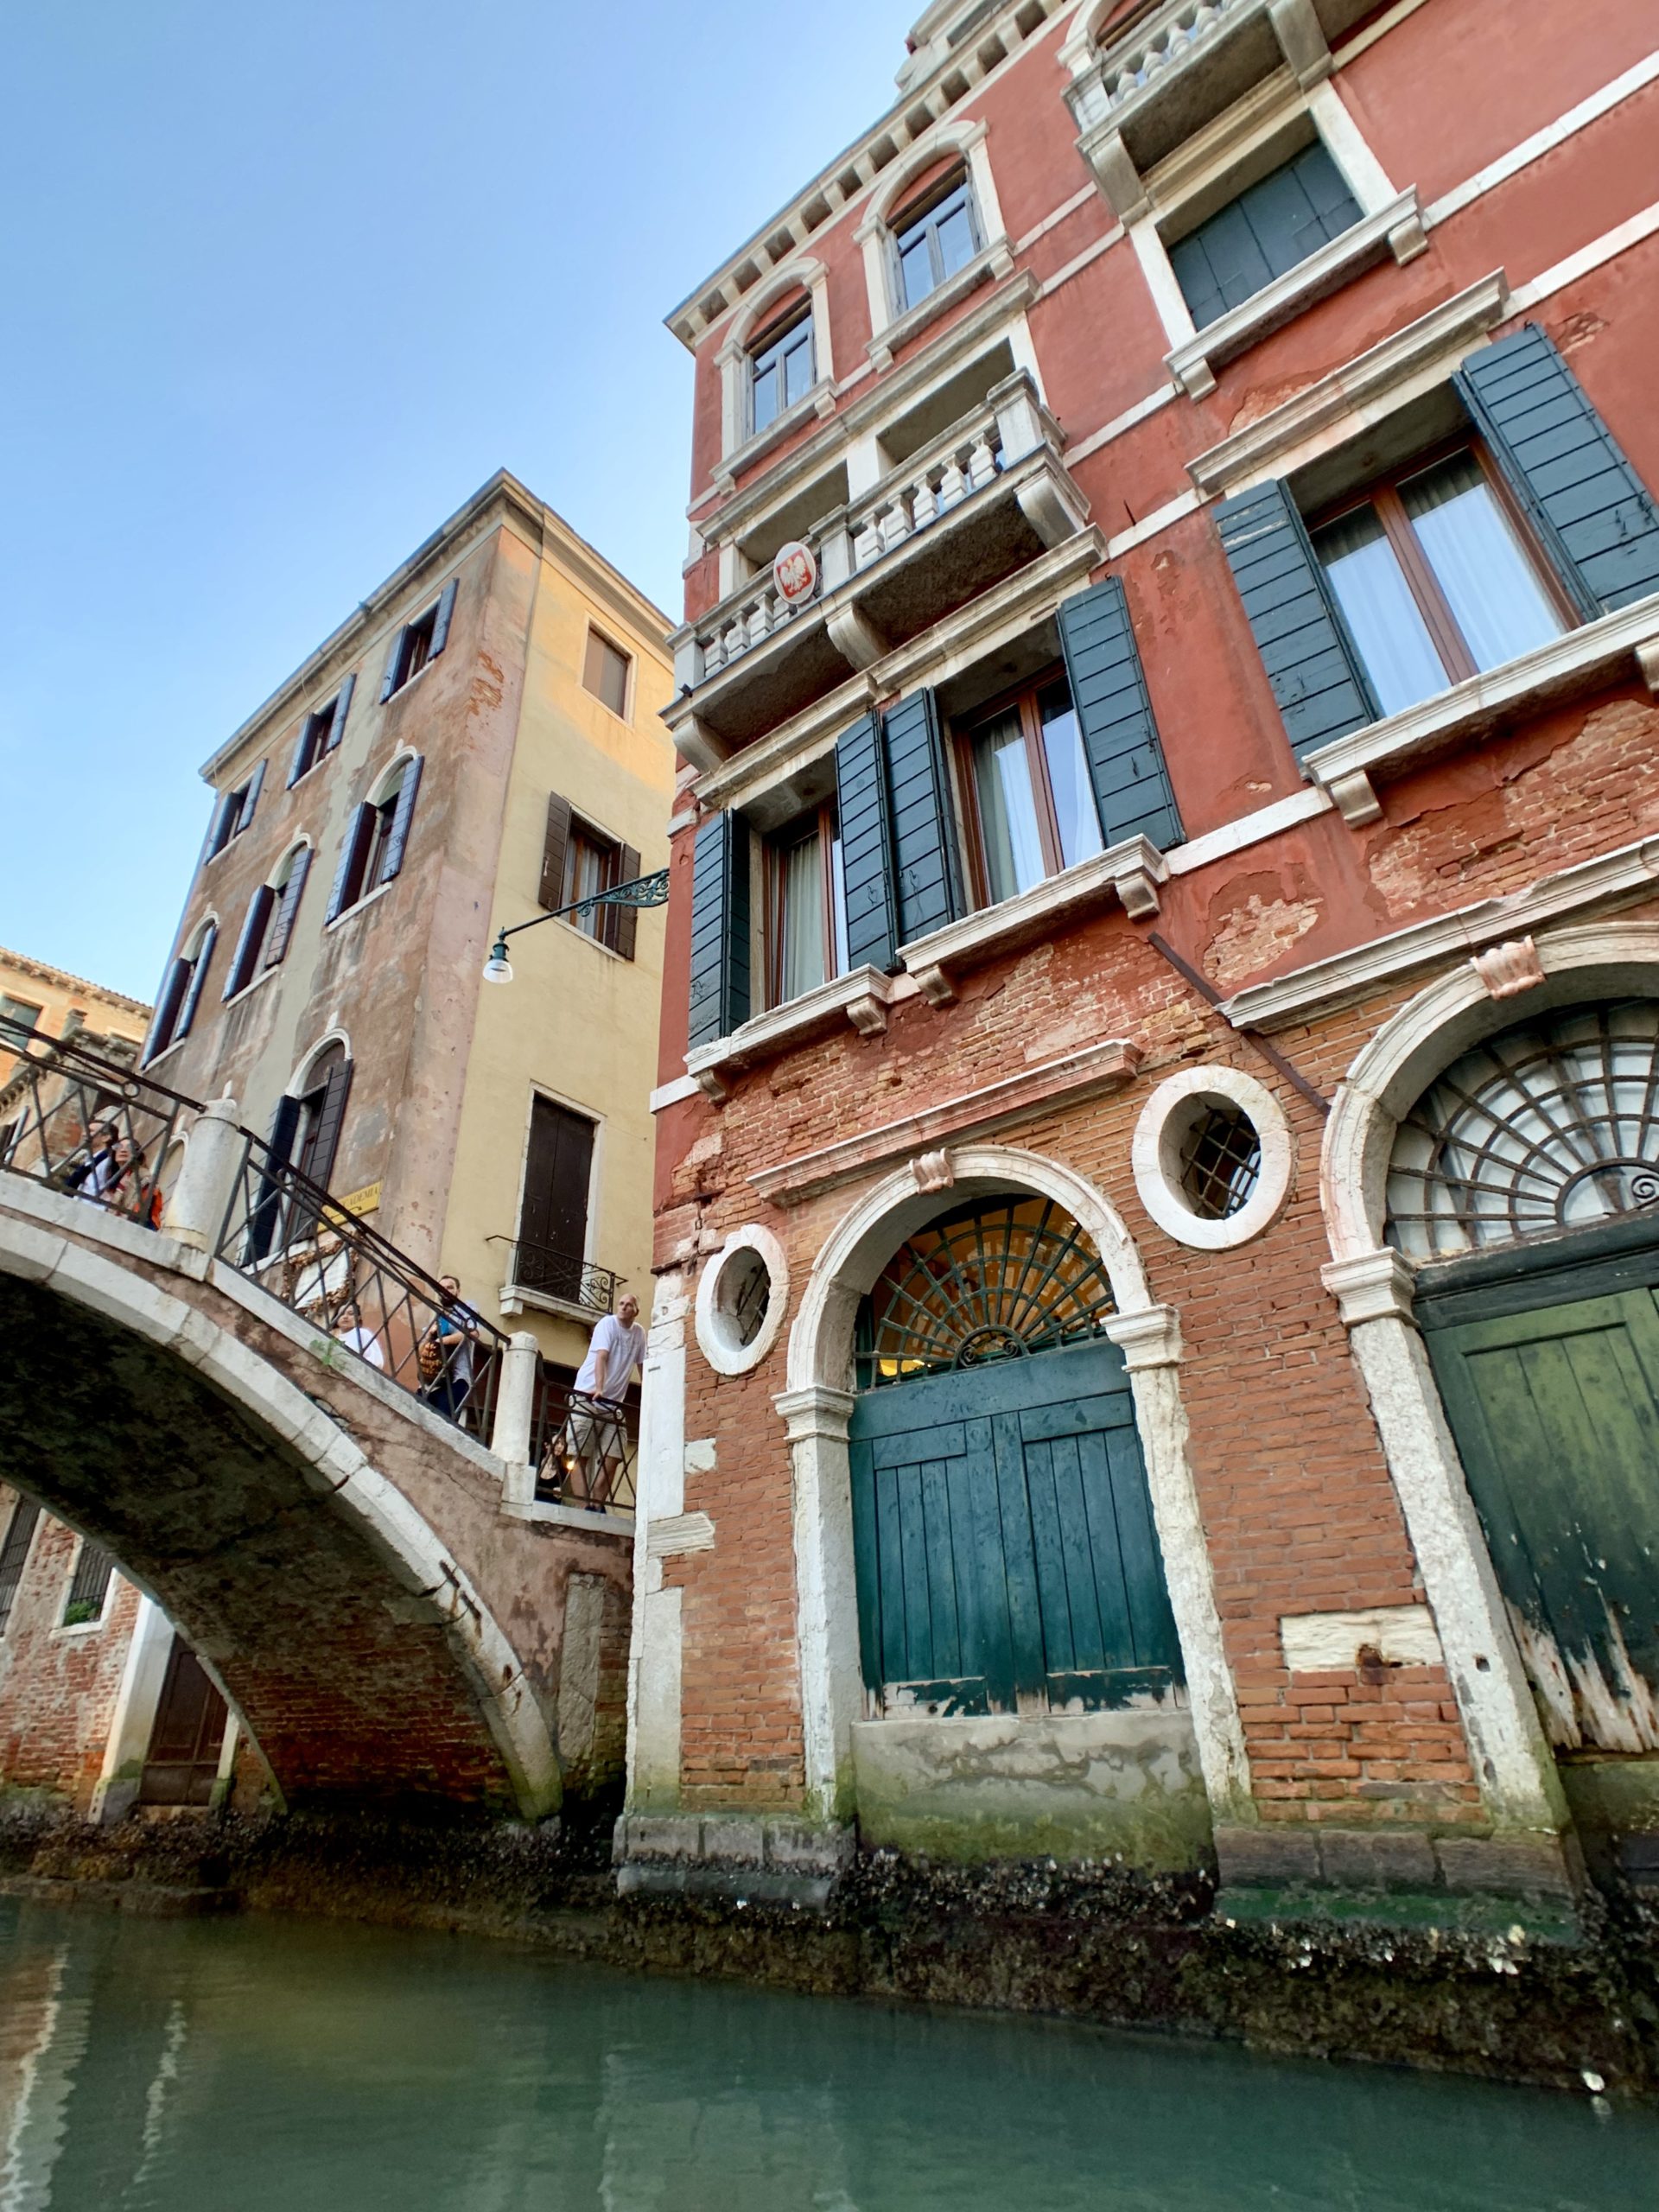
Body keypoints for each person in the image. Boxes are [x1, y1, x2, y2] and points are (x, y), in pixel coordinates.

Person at [566, 1293, 646, 1509]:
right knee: (579, 1455)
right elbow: (602, 1356)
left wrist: (649, 1394)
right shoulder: (607, 1324)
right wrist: (599, 1388)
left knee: (615, 1456)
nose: (623, 1307)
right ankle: (585, 1509)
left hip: (613, 1406)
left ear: (636, 1311)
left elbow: (642, 1365)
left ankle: (595, 1504)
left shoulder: (639, 1333)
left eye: (629, 1305)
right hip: (587, 1396)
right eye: (621, 1303)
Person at [419, 1275, 482, 1421]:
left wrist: (442, 1341)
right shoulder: (437, 1316)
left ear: (458, 1291)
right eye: (442, 1288)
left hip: (456, 1379)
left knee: (443, 1422)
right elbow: (422, 1350)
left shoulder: (466, 1309)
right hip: (431, 1380)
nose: (445, 1291)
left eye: (450, 1287)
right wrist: (429, 1336)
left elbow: (472, 1332)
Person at [64, 1120, 120, 1205]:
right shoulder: (90, 1160)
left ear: (105, 1138)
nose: (83, 1134)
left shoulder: (109, 1161)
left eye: (90, 1131)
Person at [332, 1300, 385, 1370]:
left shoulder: (362, 1333)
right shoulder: (334, 1338)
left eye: (350, 1314)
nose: (345, 1317)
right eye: (341, 1314)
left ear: (358, 1317)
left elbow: (377, 1360)